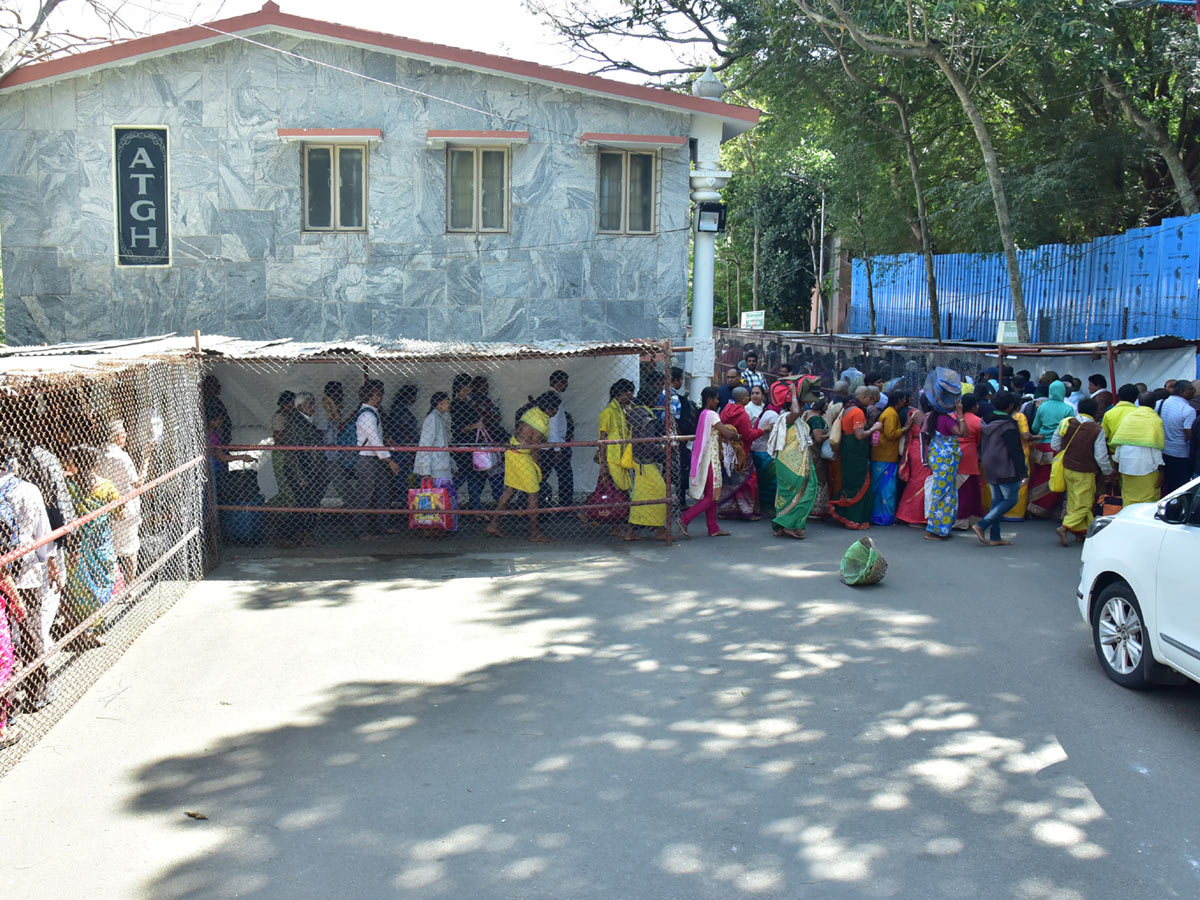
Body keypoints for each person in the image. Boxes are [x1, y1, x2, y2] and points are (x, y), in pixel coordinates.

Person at [0, 439, 63, 711]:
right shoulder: (28, 490)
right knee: (31, 631)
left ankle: (8, 703)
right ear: (14, 460)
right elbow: (43, 533)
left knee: (5, 637)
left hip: (3, 573)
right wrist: (50, 564)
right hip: (26, 571)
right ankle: (38, 690)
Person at [63, 445, 121, 643]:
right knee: (103, 582)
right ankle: (94, 628)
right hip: (101, 544)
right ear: (96, 465)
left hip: (78, 546)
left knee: (80, 588)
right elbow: (120, 513)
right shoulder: (106, 487)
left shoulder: (68, 487)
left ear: (74, 465)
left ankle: (82, 628)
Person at [488, 391, 560, 542]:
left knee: (510, 489)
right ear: (549, 409)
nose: (556, 411)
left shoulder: (532, 412)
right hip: (522, 455)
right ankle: (535, 532)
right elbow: (535, 449)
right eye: (555, 408)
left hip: (513, 450)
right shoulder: (540, 423)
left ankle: (494, 523)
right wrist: (537, 467)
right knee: (534, 491)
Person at [678, 386, 739, 538]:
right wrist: (738, 436)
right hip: (710, 459)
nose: (718, 401)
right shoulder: (712, 415)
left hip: (706, 458)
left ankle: (713, 528)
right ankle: (684, 519)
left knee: (712, 494)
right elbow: (726, 433)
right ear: (709, 400)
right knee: (712, 496)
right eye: (716, 399)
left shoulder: (703, 414)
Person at [1052, 397, 1113, 545]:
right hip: (1085, 470)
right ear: (1095, 412)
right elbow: (1101, 456)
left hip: (1067, 467)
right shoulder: (1097, 429)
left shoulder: (1066, 422)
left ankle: (1081, 532)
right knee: (1085, 503)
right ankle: (1065, 526)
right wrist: (1108, 471)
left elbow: (1055, 445)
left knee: (1074, 502)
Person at [770, 377, 823, 539]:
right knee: (804, 492)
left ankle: (781, 524)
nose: (802, 406)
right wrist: (793, 392)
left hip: (795, 462)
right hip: (789, 464)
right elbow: (795, 411)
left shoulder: (798, 420)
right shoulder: (787, 417)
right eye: (800, 404)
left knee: (788, 493)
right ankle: (790, 525)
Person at [973, 391, 1028, 546]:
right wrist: (1023, 471)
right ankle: (982, 525)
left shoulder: (985, 420)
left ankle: (995, 537)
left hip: (989, 463)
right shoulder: (1009, 425)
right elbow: (1015, 451)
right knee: (1010, 499)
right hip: (1006, 466)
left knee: (997, 500)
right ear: (1011, 405)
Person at [348, 380, 401, 540]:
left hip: (374, 458)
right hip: (367, 458)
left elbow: (376, 439)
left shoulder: (371, 413)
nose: (380, 396)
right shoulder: (367, 415)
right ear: (371, 396)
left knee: (382, 491)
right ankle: (361, 531)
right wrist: (389, 460)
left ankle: (382, 525)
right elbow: (374, 440)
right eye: (378, 394)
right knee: (365, 494)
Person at [97, 420, 150, 579]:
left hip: (106, 506)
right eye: (124, 434)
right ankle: (130, 586)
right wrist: (146, 458)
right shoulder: (121, 457)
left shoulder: (99, 455)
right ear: (118, 436)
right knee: (130, 550)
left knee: (110, 548)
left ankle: (114, 585)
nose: (126, 436)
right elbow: (138, 482)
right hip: (126, 506)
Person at [279, 392, 328, 548]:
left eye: (313, 403)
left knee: (308, 503)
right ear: (299, 406)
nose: (313, 407)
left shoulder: (305, 421)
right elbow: (291, 453)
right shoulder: (296, 423)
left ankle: (300, 534)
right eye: (309, 404)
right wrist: (299, 477)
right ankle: (289, 533)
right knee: (305, 503)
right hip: (300, 469)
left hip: (309, 469)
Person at [830, 386, 880, 530]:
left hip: (848, 453)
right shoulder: (857, 412)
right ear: (864, 397)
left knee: (850, 484)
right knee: (859, 486)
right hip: (856, 455)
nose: (871, 403)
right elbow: (859, 435)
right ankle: (855, 519)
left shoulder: (846, 409)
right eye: (870, 400)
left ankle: (848, 516)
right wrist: (873, 429)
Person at [1028, 380, 1074, 518]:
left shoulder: (1042, 407)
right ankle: (1047, 509)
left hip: (1040, 446)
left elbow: (1035, 428)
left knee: (1038, 475)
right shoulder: (1068, 409)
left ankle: (1033, 506)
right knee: (1055, 477)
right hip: (1058, 448)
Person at [924, 395, 967, 540]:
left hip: (939, 457)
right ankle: (934, 530)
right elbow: (963, 432)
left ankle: (941, 528)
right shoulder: (945, 419)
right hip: (945, 460)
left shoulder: (934, 417)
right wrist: (960, 413)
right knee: (943, 493)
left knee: (943, 492)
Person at [718, 387, 765, 520]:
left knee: (730, 479)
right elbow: (748, 435)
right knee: (748, 480)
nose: (749, 398)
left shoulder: (726, 410)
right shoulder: (742, 414)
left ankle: (726, 510)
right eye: (748, 396)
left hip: (727, 451)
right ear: (744, 398)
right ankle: (747, 511)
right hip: (741, 452)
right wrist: (762, 430)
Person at [596, 379, 636, 533]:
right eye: (629, 392)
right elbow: (602, 438)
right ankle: (615, 526)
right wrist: (603, 463)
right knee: (620, 491)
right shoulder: (608, 412)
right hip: (612, 458)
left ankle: (615, 525)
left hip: (621, 458)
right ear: (622, 393)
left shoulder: (621, 410)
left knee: (616, 492)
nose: (632, 395)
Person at [1110, 394, 1164, 505]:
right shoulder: (1155, 420)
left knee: (1128, 498)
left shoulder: (1129, 417)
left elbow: (1120, 444)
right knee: (1148, 500)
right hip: (1147, 467)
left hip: (1126, 466)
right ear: (1154, 404)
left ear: (1138, 402)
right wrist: (1161, 472)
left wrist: (1116, 467)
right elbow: (1156, 448)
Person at [870, 391, 908, 526]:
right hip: (886, 455)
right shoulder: (891, 414)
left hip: (882, 454)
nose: (905, 402)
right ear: (898, 400)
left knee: (881, 487)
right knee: (886, 489)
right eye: (904, 399)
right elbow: (890, 434)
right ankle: (883, 517)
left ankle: (878, 515)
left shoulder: (888, 411)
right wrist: (904, 429)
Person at [449, 374, 485, 509]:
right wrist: (474, 426)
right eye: (469, 386)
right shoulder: (457, 405)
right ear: (462, 387)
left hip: (471, 445)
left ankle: (475, 506)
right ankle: (475, 507)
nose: (471, 388)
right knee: (468, 475)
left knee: (471, 475)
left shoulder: (466, 402)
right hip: (464, 445)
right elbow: (457, 428)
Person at [540, 370, 575, 510]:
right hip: (555, 445)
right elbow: (553, 425)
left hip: (551, 445)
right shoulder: (554, 399)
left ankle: (532, 502)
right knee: (565, 476)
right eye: (565, 382)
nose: (566, 385)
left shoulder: (551, 396)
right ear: (558, 382)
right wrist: (557, 449)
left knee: (542, 475)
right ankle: (565, 506)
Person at [1158, 380, 1196, 493]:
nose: (1194, 391)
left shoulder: (1162, 402)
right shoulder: (1188, 410)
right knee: (1179, 488)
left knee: (1167, 485)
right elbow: (1190, 436)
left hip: (1164, 451)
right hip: (1180, 455)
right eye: (1191, 389)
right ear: (1182, 391)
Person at [748, 385, 779, 514]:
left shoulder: (766, 411)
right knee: (766, 479)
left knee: (763, 479)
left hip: (761, 449)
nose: (755, 395)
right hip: (761, 450)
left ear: (763, 396)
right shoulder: (748, 409)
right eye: (753, 393)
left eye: (757, 393)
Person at [954, 394, 984, 530]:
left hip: (954, 454)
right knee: (970, 490)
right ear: (973, 406)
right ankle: (966, 520)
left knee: (959, 489)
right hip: (970, 456)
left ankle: (957, 518)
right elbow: (979, 441)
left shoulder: (953, 418)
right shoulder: (978, 421)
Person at [413, 392, 455, 486]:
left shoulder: (439, 418)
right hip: (435, 468)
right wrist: (425, 470)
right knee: (439, 497)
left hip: (440, 465)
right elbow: (425, 444)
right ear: (439, 403)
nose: (449, 404)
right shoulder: (433, 419)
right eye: (447, 401)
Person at [385, 384, 420, 488]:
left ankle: (403, 495)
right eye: (413, 396)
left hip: (401, 446)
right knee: (403, 472)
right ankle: (403, 496)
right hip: (403, 446)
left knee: (404, 472)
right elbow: (405, 429)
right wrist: (410, 448)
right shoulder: (401, 410)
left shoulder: (399, 408)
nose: (415, 398)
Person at [270, 391, 297, 508]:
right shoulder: (280, 416)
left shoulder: (290, 415)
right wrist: (288, 450)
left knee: (289, 485)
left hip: (288, 453)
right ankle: (285, 511)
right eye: (293, 402)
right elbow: (277, 436)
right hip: (282, 454)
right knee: (286, 486)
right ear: (288, 403)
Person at [1101, 384, 1139, 451]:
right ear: (1136, 398)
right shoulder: (1141, 413)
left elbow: (1104, 437)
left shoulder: (1109, 413)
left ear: (1118, 396)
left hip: (1114, 453)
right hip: (1135, 453)